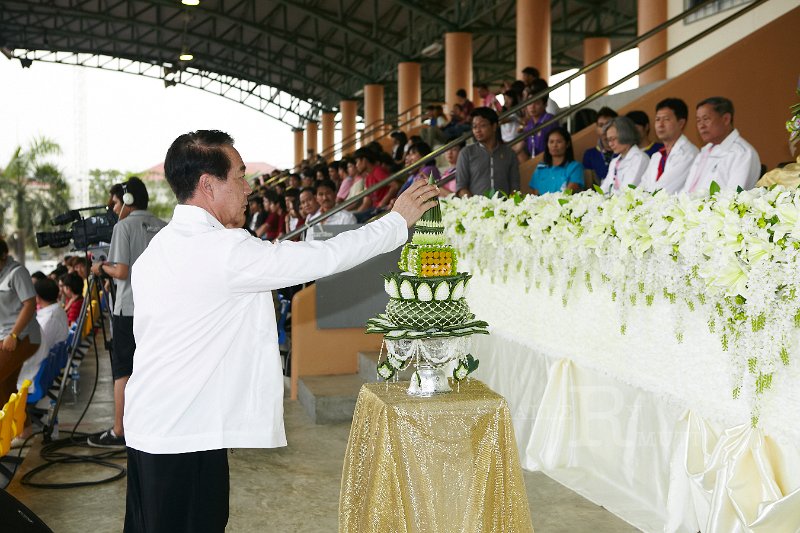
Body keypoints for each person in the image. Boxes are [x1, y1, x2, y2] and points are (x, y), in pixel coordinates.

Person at [122, 129, 437, 532]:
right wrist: (395, 223)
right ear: (207, 185)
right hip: (184, 433)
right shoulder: (223, 251)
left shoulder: (159, 250)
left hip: (155, 425)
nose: (248, 187)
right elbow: (323, 256)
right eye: (238, 175)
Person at [87, 177, 167, 449]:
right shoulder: (163, 226)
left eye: (116, 202)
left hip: (130, 311)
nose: (113, 208)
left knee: (124, 371)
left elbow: (121, 271)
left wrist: (101, 270)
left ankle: (120, 430)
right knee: (155, 370)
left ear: (128, 202)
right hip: (160, 310)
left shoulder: (124, 226)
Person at [681, 96, 761, 194]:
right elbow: (687, 191)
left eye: (706, 119)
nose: (701, 126)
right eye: (698, 121)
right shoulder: (705, 151)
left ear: (726, 119)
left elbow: (733, 197)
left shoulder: (742, 153)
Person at [0, 237, 42, 402]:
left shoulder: (17, 272)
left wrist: (14, 335)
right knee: (6, 387)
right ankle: (22, 428)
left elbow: (30, 304)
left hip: (23, 337)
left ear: (3, 255)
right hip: (6, 336)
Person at [17, 278, 68, 398]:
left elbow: (44, 346)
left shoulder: (49, 319)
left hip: (32, 379)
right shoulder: (53, 312)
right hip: (38, 371)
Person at [456, 107, 520, 197]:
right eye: (474, 126)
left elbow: (515, 186)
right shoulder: (466, 153)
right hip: (475, 208)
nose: (477, 130)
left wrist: (511, 206)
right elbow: (461, 187)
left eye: (482, 125)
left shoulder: (509, 153)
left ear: (494, 126)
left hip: (503, 208)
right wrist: (473, 205)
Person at [640, 98, 699, 194]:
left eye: (666, 119)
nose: (660, 124)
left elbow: (664, 190)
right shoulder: (657, 156)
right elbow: (642, 186)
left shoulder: (689, 153)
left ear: (681, 123)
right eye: (657, 119)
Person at [600, 116, 650, 194]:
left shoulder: (640, 158)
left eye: (613, 139)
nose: (610, 144)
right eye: (608, 140)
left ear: (625, 134)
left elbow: (628, 189)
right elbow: (603, 189)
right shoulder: (614, 161)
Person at [529, 127, 584, 195]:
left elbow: (568, 194)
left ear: (567, 144)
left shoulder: (575, 167)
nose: (554, 145)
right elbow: (534, 195)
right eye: (551, 142)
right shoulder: (540, 168)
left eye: (559, 142)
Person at [352, 147, 397, 223]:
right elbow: (367, 202)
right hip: (374, 209)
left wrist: (382, 203)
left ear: (364, 160)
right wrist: (355, 214)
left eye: (357, 162)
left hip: (382, 209)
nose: (356, 165)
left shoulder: (377, 171)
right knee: (352, 218)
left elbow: (394, 185)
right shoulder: (368, 177)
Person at [521, 79, 558, 158]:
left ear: (545, 105)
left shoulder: (549, 120)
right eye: (529, 103)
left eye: (537, 103)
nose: (532, 107)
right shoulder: (530, 124)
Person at [582, 107, 618, 187]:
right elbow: (589, 187)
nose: (604, 129)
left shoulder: (623, 151)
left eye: (608, 125)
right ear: (596, 128)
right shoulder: (589, 154)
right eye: (601, 125)